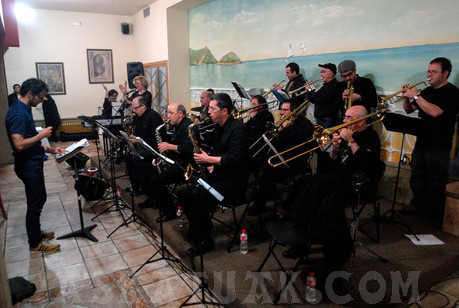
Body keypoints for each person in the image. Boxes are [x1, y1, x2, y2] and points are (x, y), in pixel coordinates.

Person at [282, 106, 382, 287]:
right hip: (335, 180)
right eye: (344, 117)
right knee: (304, 182)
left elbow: (365, 162)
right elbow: (333, 163)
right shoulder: (345, 133)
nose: (344, 121)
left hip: (354, 184)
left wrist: (351, 141)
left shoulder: (370, 137)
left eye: (348, 118)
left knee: (318, 185)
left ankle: (298, 224)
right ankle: (298, 229)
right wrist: (334, 150)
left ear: (360, 121)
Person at [177, 93, 249, 257]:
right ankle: (200, 228)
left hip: (234, 182)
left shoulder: (239, 128)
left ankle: (205, 241)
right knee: (184, 193)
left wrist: (208, 159)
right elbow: (217, 153)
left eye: (212, 108)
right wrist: (206, 157)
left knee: (198, 197)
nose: (208, 111)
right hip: (218, 175)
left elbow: (235, 159)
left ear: (224, 111)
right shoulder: (218, 127)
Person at [5, 78, 67, 253]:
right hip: (27, 165)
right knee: (35, 202)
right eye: (40, 97)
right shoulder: (18, 113)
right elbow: (19, 144)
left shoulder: (24, 109)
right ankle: (35, 243)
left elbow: (29, 141)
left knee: (39, 198)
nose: (41, 101)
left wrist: (50, 150)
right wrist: (42, 135)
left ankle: (36, 233)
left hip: (32, 161)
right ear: (30, 94)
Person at [399, 57, 459, 228]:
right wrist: (406, 97)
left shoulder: (452, 92)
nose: (429, 75)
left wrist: (416, 95)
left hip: (439, 144)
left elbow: (435, 112)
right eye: (428, 71)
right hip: (422, 141)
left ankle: (436, 215)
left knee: (437, 180)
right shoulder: (427, 92)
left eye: (433, 71)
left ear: (445, 73)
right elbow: (409, 110)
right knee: (417, 176)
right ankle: (419, 206)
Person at [248, 99, 314, 215]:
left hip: (295, 160)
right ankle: (263, 192)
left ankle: (260, 203)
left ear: (294, 111)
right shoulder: (284, 121)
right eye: (281, 109)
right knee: (260, 161)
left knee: (268, 169)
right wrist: (281, 129)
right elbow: (277, 142)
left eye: (285, 110)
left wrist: (286, 129)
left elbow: (299, 146)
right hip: (282, 156)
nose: (282, 113)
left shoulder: (305, 124)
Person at [139, 103, 194, 224]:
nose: (168, 116)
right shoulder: (178, 125)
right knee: (149, 168)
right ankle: (154, 199)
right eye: (167, 113)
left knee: (156, 180)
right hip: (177, 161)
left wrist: (169, 146)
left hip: (186, 166)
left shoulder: (189, 126)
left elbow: (188, 148)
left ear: (180, 114)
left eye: (170, 113)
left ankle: (170, 211)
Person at [124, 96, 163, 195]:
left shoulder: (153, 117)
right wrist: (134, 137)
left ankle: (145, 188)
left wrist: (138, 141)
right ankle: (136, 185)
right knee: (127, 155)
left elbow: (155, 139)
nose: (134, 110)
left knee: (136, 157)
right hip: (143, 144)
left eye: (135, 108)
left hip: (154, 147)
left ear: (143, 106)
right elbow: (140, 133)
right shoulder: (138, 116)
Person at [245, 95, 274, 177]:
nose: (251, 106)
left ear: (261, 106)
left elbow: (258, 130)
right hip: (251, 142)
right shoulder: (256, 114)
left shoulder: (267, 115)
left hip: (260, 145)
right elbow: (247, 127)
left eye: (254, 104)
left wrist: (253, 118)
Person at [306, 63, 340, 128]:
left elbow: (318, 99)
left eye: (324, 72)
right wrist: (311, 89)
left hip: (328, 121)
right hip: (322, 121)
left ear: (331, 73)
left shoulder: (334, 86)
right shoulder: (326, 86)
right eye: (321, 72)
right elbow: (314, 99)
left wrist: (310, 90)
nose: (321, 74)